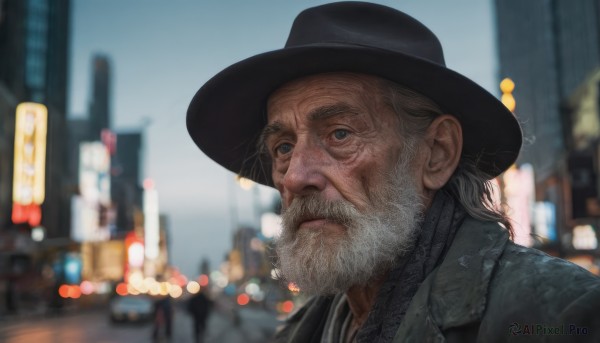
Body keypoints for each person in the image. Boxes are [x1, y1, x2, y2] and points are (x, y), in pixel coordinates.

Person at [186, 2, 600, 342]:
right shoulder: (300, 331)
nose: (295, 177)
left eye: (340, 134)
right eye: (284, 146)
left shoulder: (560, 317)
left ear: (436, 153)